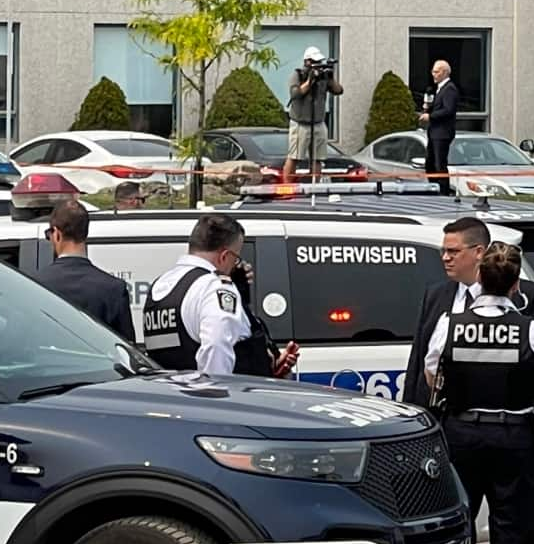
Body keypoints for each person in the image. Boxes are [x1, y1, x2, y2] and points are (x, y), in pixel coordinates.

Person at [424, 242, 534, 544]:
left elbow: (432, 372)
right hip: (513, 434)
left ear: (479, 277)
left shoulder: (450, 323)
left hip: (462, 433)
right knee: (510, 524)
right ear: (516, 285)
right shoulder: (532, 328)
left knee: (460, 517)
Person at [402, 216, 534, 407]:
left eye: (453, 251)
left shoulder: (528, 297)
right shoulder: (436, 296)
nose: (445, 257)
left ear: (479, 252)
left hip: (510, 421)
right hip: (450, 420)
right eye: (444, 251)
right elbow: (418, 362)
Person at [142, 213, 297, 376]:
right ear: (224, 256)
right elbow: (216, 346)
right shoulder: (213, 286)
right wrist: (216, 394)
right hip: (222, 397)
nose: (235, 265)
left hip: (169, 395)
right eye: (236, 258)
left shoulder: (160, 286)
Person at [34, 199, 136, 342]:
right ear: (85, 234)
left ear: (57, 234)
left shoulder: (35, 285)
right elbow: (127, 351)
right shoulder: (114, 289)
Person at [283, 47, 343, 183]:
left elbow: (339, 91)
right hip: (300, 123)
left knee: (318, 158)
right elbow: (296, 94)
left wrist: (330, 78)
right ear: (307, 62)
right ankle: (286, 187)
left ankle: (315, 185)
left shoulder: (323, 77)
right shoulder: (297, 75)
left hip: (319, 122)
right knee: (294, 156)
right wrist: (309, 81)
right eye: (315, 61)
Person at [420, 60, 458, 195]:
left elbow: (448, 110)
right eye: (433, 71)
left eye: (436, 72)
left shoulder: (450, 89)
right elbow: (439, 107)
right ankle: (434, 189)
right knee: (430, 164)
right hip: (434, 132)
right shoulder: (438, 89)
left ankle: (443, 193)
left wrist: (430, 117)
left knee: (439, 164)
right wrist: (428, 108)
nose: (433, 74)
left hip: (442, 133)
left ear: (444, 72)